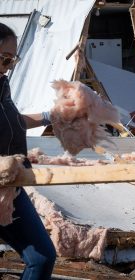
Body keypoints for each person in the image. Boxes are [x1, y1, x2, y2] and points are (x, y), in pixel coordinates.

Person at [0, 23, 56, 279]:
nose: (9, 66)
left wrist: (50, 116)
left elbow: (13, 122)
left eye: (13, 60)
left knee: (42, 257)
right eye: (4, 59)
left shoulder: (2, 85)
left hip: (12, 186)